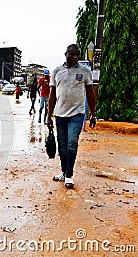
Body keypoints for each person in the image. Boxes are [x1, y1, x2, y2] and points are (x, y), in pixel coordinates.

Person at [46, 44, 96, 189]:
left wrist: (93, 114)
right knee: (62, 146)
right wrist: (49, 116)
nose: (74, 57)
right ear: (65, 54)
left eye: (77, 55)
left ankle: (69, 175)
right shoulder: (56, 71)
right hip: (60, 115)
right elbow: (52, 96)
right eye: (71, 54)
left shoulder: (85, 71)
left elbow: (90, 94)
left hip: (77, 114)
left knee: (71, 144)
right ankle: (63, 171)